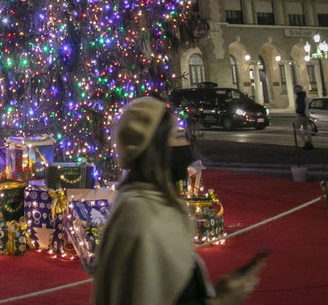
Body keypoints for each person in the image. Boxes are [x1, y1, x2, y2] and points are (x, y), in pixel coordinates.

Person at [88, 97, 264, 304]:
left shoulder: (160, 204)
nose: (186, 144)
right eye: (177, 136)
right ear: (154, 147)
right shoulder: (141, 214)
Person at [293, 84, 313, 150]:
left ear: (298, 90)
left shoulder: (300, 97)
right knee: (306, 129)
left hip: (302, 115)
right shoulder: (304, 96)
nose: (294, 90)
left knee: (296, 128)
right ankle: (310, 143)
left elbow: (301, 107)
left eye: (295, 89)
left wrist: (297, 111)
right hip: (306, 115)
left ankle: (306, 142)